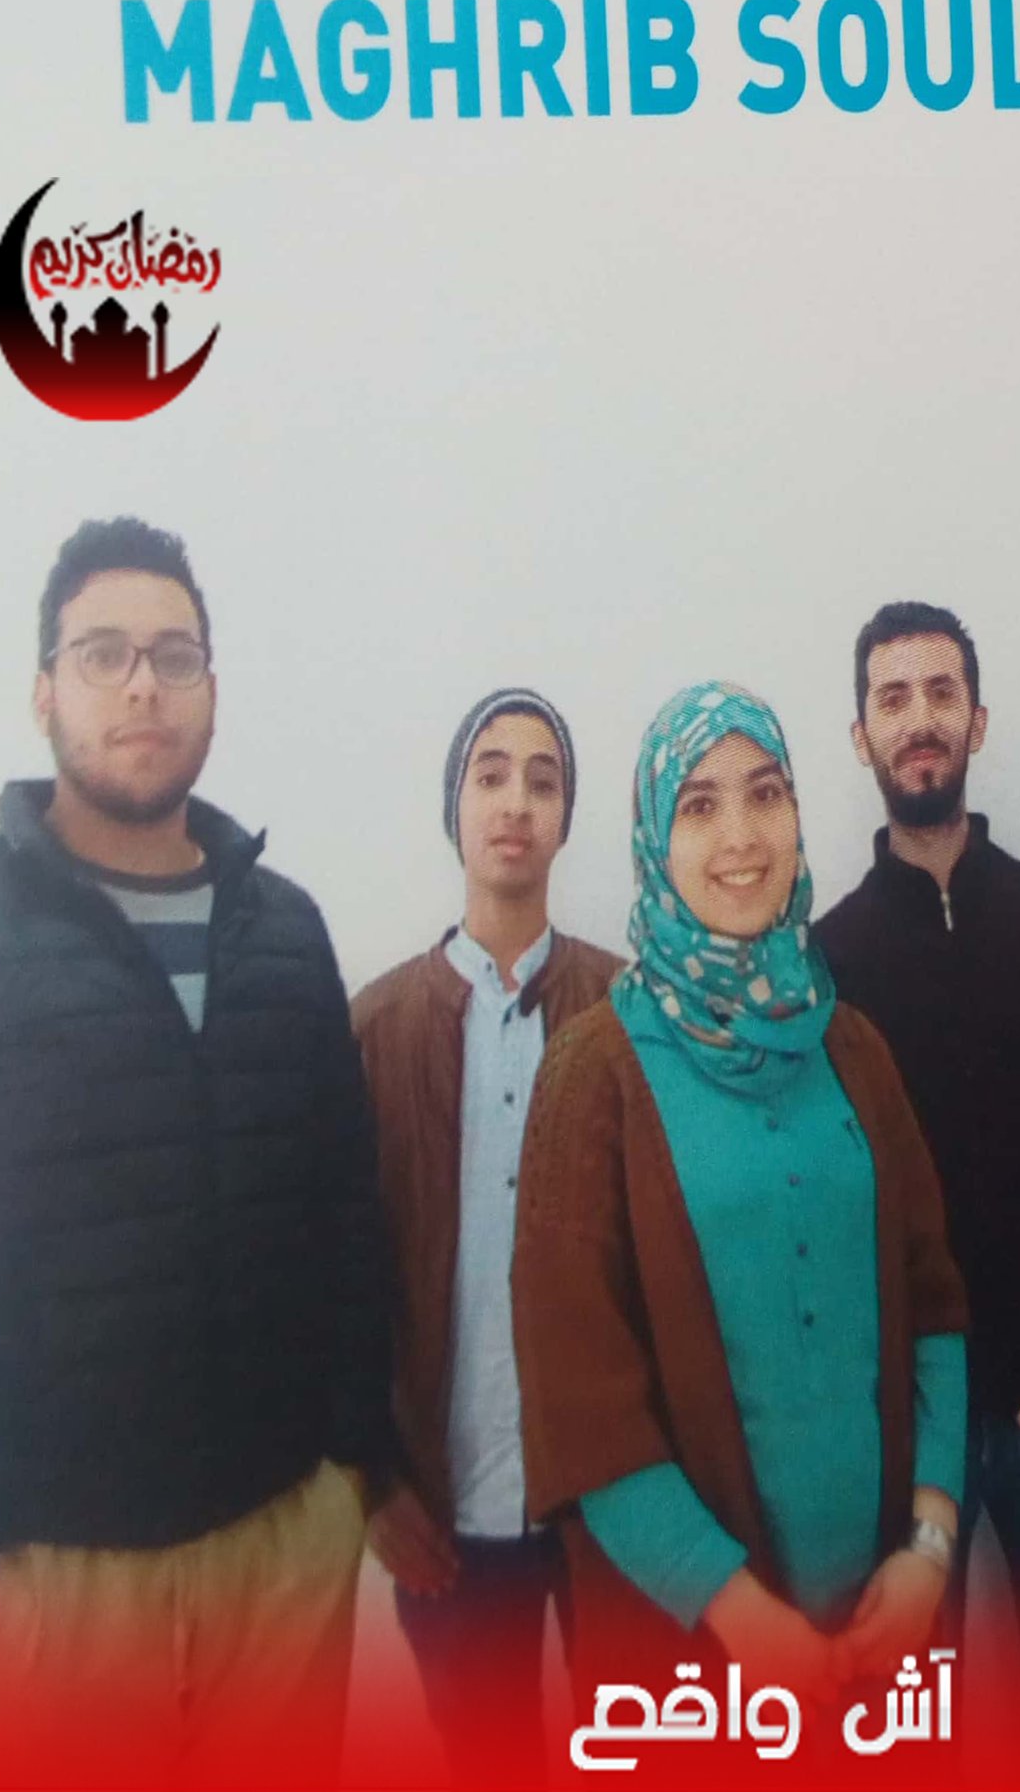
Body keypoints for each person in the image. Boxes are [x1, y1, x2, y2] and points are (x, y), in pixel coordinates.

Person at [0, 517, 392, 1790]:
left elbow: (349, 1210)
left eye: (173, 655)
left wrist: (351, 1467)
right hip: (60, 1571)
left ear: (212, 686)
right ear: (44, 689)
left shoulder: (286, 930)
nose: (142, 686)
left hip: (283, 1540)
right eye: (102, 654)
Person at [512, 681, 967, 1777]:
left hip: (883, 1636)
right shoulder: (593, 1072)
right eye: (700, 806)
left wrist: (928, 1546)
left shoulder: (851, 1046)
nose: (741, 838)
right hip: (692, 1667)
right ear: (652, 839)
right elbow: (582, 1404)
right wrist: (746, 1623)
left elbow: (934, 1305)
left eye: (766, 794)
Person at [814, 602, 1020, 1785]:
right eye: (892, 698)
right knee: (911, 1744)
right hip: (908, 1439)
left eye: (940, 693)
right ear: (860, 735)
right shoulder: (825, 963)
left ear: (977, 720)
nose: (919, 719)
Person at [350, 688, 620, 1789]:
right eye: (491, 775)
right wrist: (375, 1482)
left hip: (611, 1503)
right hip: (444, 1508)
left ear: (567, 819)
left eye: (543, 781)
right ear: (453, 808)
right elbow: (339, 1285)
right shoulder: (373, 1029)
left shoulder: (626, 1012)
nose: (516, 802)